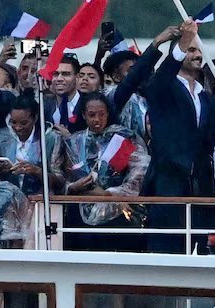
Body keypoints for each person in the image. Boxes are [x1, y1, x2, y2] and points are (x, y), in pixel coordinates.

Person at [122, 20, 215, 252]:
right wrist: (182, 43)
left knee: (201, 254)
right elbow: (160, 78)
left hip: (202, 189)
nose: (197, 55)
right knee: (166, 252)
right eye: (191, 49)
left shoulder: (207, 97)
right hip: (169, 187)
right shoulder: (162, 87)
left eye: (200, 50)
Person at [61, 93, 149, 248]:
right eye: (92, 115)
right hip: (82, 213)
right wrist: (74, 187)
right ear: (84, 115)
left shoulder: (124, 137)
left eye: (101, 114)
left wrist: (110, 193)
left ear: (108, 113)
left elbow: (139, 172)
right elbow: (67, 177)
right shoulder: (74, 141)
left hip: (119, 212)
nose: (97, 119)